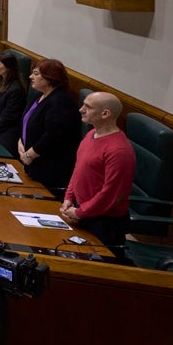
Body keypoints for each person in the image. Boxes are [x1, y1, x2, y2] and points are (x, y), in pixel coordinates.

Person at [59, 92, 136, 250]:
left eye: (87, 107)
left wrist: (81, 212)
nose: (81, 109)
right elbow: (79, 170)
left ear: (105, 114)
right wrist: (69, 198)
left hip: (104, 222)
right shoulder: (90, 134)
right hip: (81, 210)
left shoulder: (119, 150)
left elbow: (111, 194)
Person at [18, 58, 81, 192]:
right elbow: (27, 122)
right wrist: (21, 141)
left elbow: (53, 136)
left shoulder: (61, 102)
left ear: (50, 78)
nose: (30, 77)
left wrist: (30, 154)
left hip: (49, 170)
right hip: (31, 163)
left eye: (35, 74)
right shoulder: (40, 96)